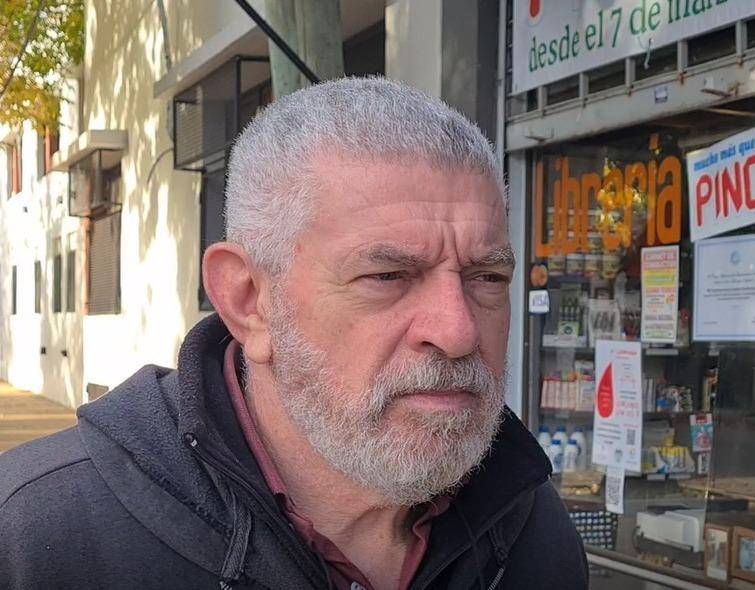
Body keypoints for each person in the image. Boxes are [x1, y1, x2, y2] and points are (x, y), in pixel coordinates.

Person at [0, 77, 588, 590]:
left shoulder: (532, 527)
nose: (458, 332)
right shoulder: (36, 538)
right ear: (249, 301)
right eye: (387, 276)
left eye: (487, 277)